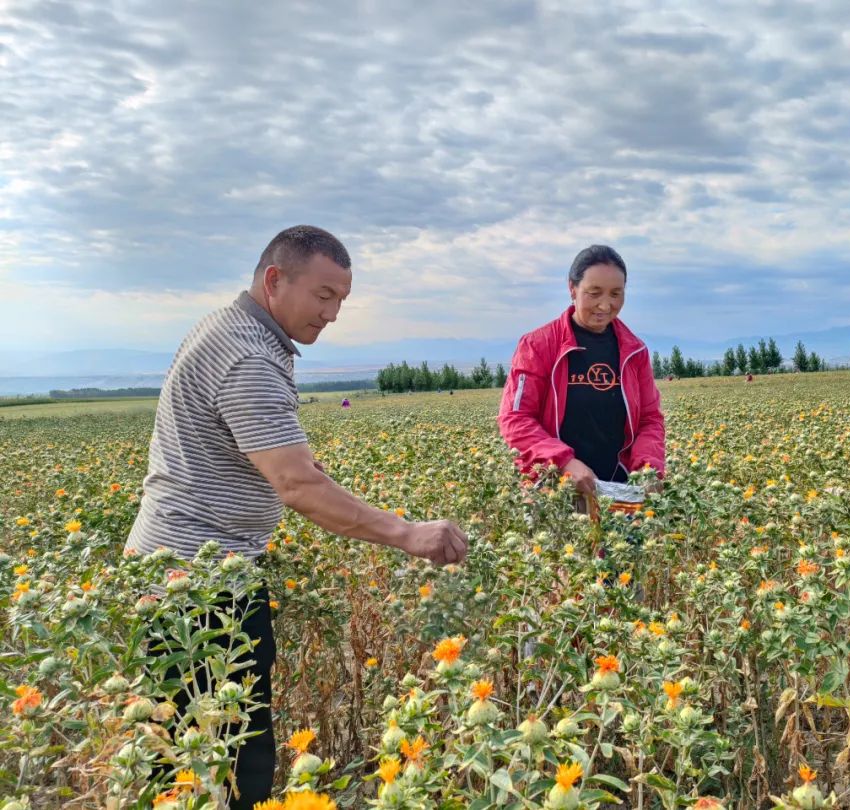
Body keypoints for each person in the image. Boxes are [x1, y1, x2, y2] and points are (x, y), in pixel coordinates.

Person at [125, 225, 468, 809]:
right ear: (275, 280)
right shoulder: (250, 355)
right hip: (200, 589)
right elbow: (297, 485)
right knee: (228, 761)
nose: (332, 314)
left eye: (341, 300)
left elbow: (269, 457)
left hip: (178, 571)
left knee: (183, 756)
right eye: (324, 295)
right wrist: (409, 534)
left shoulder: (229, 327)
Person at [498, 245, 665, 496]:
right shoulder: (538, 346)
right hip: (554, 489)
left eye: (616, 294)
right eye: (594, 293)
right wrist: (563, 462)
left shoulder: (635, 351)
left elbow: (650, 419)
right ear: (572, 289)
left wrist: (648, 468)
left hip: (620, 489)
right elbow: (516, 418)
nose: (605, 305)